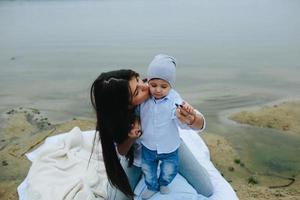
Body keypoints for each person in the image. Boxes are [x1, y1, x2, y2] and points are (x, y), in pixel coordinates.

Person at [90, 69, 213, 200]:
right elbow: (121, 151)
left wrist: (192, 119)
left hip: (169, 147)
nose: (145, 86)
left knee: (207, 189)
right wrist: (131, 138)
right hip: (140, 155)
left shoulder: (160, 90)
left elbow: (199, 123)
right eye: (137, 92)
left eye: (138, 79)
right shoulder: (119, 119)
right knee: (116, 198)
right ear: (126, 105)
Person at [139, 54, 195, 199]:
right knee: (147, 168)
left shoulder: (174, 98)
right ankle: (152, 186)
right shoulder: (145, 98)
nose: (158, 90)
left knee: (170, 168)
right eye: (153, 85)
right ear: (148, 83)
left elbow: (177, 110)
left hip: (169, 145)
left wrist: (180, 112)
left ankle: (164, 183)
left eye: (164, 86)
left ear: (171, 85)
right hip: (148, 145)